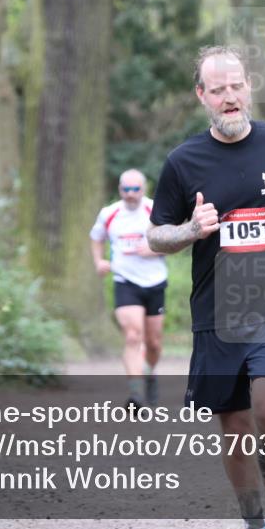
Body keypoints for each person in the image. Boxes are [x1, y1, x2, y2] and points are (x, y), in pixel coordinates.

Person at [148, 46, 265, 529]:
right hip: (217, 314)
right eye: (218, 89)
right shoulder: (183, 162)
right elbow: (156, 236)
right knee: (236, 428)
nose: (229, 96)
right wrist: (191, 229)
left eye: (236, 86)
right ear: (201, 95)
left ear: (249, 88)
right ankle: (254, 525)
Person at [90, 169, 168, 410]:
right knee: (133, 335)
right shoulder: (109, 213)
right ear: (120, 190)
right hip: (125, 281)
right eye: (126, 189)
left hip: (154, 281)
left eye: (136, 189)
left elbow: (173, 239)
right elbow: (96, 237)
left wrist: (154, 249)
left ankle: (149, 373)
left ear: (144, 189)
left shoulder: (155, 210)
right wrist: (99, 261)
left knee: (154, 343)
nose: (131, 194)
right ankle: (136, 394)